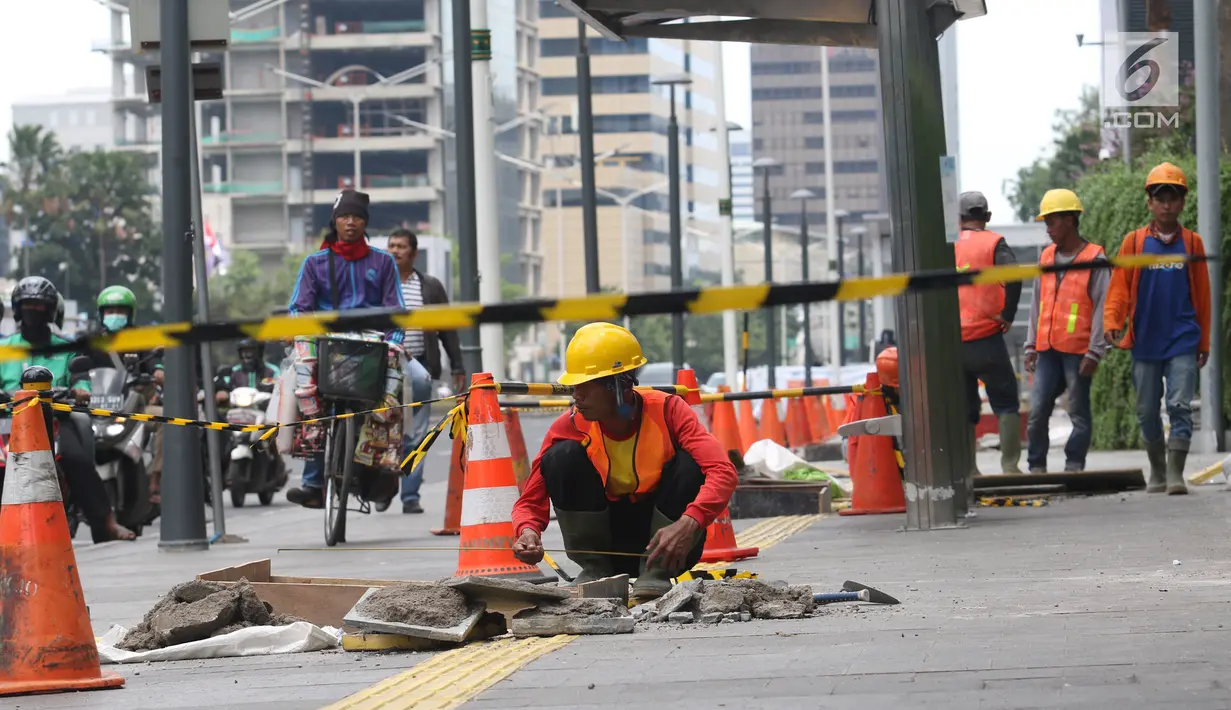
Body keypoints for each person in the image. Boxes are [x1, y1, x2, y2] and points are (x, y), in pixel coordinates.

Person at [511, 323, 739, 602]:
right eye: (574, 385)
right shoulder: (570, 425)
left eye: (585, 386)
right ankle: (596, 569)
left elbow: (723, 472)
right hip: (608, 541)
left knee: (691, 462)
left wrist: (690, 522)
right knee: (561, 458)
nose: (576, 395)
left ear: (620, 385)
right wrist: (528, 531)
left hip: (671, 543)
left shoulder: (670, 411)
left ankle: (654, 572)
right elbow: (530, 499)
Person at [283, 189, 406, 509]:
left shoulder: (383, 262)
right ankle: (311, 481)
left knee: (418, 383)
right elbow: (299, 307)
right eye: (344, 217)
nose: (351, 223)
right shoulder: (314, 264)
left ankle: (384, 473)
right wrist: (303, 332)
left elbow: (396, 311)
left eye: (357, 217)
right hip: (326, 347)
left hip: (374, 347)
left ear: (365, 223)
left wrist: (394, 341)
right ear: (334, 221)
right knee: (302, 394)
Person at [1104, 162, 1211, 495]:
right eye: (1161, 197)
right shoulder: (1134, 243)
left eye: (1174, 197)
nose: (1167, 204)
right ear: (1149, 202)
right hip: (1145, 341)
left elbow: (1203, 296)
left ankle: (1176, 474)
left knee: (1180, 404)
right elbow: (1119, 287)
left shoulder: (1193, 244)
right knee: (1146, 409)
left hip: (1182, 338)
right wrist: (1112, 320)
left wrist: (1203, 340)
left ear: (1182, 203)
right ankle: (1158, 471)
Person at [0, 277, 134, 542]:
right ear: (17, 309)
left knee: (77, 461)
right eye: (28, 305)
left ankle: (105, 521)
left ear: (51, 310)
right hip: (8, 419)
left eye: (40, 306)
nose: (33, 311)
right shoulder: (4, 347)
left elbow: (81, 375)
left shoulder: (67, 346)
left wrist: (80, 389)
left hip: (56, 417)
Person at [1023, 189, 1109, 474]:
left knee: (1079, 413)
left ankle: (1074, 464)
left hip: (1079, 351)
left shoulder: (1095, 258)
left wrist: (1095, 351)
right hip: (1047, 349)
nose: (1048, 228)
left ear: (1070, 220)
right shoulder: (1046, 257)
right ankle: (1036, 465)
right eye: (1046, 222)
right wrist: (1030, 345)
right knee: (1036, 412)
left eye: (1052, 221)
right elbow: (1037, 303)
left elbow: (1102, 307)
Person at [384, 227, 466, 514]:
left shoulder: (430, 287)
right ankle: (381, 486)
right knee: (380, 430)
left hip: (420, 365)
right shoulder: (379, 284)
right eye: (391, 245)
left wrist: (456, 365)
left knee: (416, 434)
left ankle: (410, 495)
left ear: (414, 253)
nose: (395, 251)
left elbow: (448, 330)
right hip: (383, 366)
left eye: (401, 246)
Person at [954, 191, 1023, 475]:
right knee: (1006, 401)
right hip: (987, 339)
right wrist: (1007, 315)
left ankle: (969, 469)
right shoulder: (995, 242)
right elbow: (1015, 275)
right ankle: (1009, 467)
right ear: (988, 217)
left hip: (953, 342)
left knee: (964, 406)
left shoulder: (947, 245)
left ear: (958, 219)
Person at [94, 284, 166, 503]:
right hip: (101, 407)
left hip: (138, 406)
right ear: (101, 314)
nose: (114, 315)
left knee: (167, 420)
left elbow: (155, 362)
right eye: (109, 311)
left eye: (120, 311)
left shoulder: (141, 339)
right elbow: (78, 365)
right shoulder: (95, 341)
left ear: (130, 314)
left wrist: (158, 371)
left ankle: (156, 478)